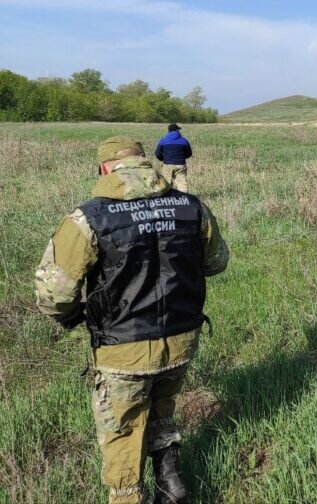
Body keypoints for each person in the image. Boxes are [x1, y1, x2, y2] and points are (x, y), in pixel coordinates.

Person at [35, 136, 229, 504]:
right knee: (162, 408)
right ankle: (171, 483)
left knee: (122, 433)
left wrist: (74, 315)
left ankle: (130, 497)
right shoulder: (191, 207)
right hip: (182, 339)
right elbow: (217, 262)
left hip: (122, 349)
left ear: (104, 168)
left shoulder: (88, 218)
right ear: (145, 163)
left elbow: (54, 294)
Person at [155, 124, 193, 193]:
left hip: (167, 165)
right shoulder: (184, 141)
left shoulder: (163, 140)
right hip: (180, 165)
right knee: (182, 184)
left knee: (166, 184)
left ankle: (167, 198)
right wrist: (182, 157)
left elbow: (157, 153)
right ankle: (183, 198)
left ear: (169, 131)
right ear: (176, 130)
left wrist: (163, 159)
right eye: (178, 129)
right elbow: (189, 153)